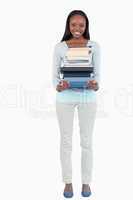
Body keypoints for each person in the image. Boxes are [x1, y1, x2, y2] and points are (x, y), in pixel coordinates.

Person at [52, 10, 100, 198]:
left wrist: (94, 84)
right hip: (65, 98)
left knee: (86, 141)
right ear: (68, 26)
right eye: (73, 25)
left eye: (81, 25)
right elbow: (54, 76)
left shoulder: (94, 46)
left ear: (86, 26)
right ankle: (68, 182)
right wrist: (59, 86)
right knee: (66, 141)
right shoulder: (60, 47)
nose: (77, 28)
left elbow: (97, 75)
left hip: (88, 97)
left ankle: (86, 183)